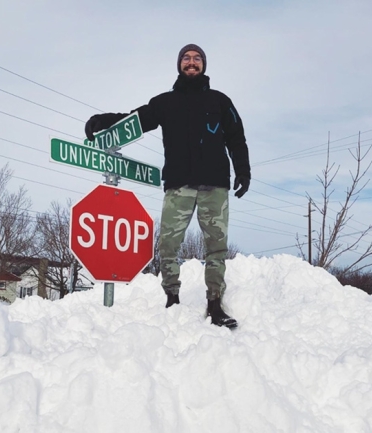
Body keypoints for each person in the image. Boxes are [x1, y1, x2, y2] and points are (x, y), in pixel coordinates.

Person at [84, 44, 250, 328]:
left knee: (216, 246)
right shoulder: (165, 102)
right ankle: (172, 298)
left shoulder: (220, 101)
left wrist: (243, 170)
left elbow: (236, 137)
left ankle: (214, 303)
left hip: (215, 185)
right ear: (179, 65)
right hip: (178, 184)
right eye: (186, 58)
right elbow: (135, 120)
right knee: (168, 245)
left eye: (197, 58)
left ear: (204, 65)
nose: (192, 62)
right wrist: (103, 121)